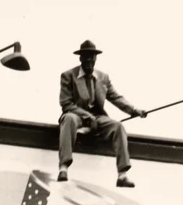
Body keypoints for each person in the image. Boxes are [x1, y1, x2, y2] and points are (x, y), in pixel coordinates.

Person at [58, 40, 147, 188]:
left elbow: (116, 97)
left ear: (96, 59)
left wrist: (134, 110)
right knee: (68, 119)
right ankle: (63, 168)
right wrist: (88, 117)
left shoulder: (103, 78)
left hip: (98, 118)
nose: (89, 60)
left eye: (92, 57)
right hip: (76, 115)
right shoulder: (68, 75)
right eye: (86, 56)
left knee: (118, 126)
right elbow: (66, 104)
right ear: (80, 58)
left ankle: (122, 175)